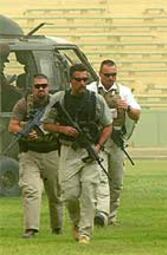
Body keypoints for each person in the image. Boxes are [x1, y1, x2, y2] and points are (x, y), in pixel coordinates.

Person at [43, 63, 113, 244]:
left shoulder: (96, 100)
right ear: (70, 80)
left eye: (85, 79)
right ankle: (76, 222)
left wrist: (98, 146)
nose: (82, 83)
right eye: (78, 80)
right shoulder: (60, 99)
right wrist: (63, 129)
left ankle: (85, 233)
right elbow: (46, 124)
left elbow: (108, 125)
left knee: (89, 191)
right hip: (68, 150)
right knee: (69, 194)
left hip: (90, 150)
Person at [8, 73, 63, 238]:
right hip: (30, 153)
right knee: (31, 190)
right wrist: (25, 132)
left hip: (52, 152)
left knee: (55, 193)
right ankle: (31, 228)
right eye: (37, 86)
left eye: (44, 86)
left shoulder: (56, 103)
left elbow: (65, 125)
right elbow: (12, 126)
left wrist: (49, 128)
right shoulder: (23, 104)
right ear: (32, 88)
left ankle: (57, 226)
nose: (41, 89)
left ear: (48, 87)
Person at [87, 59, 141, 227]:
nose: (111, 78)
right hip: (98, 139)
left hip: (116, 141)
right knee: (101, 178)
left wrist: (127, 108)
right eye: (107, 75)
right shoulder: (90, 91)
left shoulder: (123, 91)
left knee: (116, 182)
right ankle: (101, 213)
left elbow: (137, 114)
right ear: (100, 74)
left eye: (114, 75)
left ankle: (111, 216)